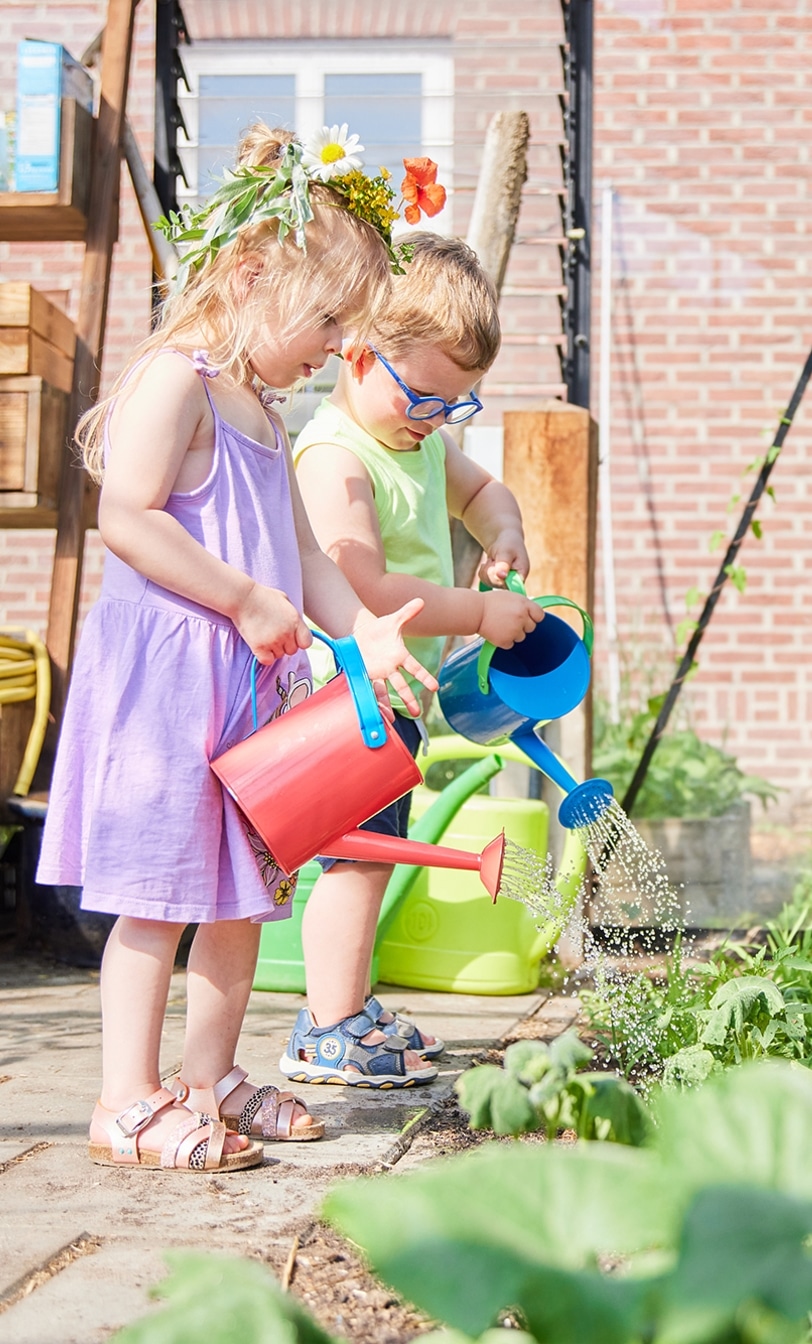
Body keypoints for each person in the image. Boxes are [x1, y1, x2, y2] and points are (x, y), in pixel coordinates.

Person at [36, 124, 440, 1172]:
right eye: (326, 320)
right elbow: (127, 516)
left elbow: (306, 554)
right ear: (254, 275)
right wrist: (241, 598)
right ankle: (123, 1099)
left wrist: (361, 633)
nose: (333, 349)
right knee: (158, 897)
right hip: (171, 683)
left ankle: (208, 1075)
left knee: (244, 890)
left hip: (245, 691)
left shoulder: (261, 409)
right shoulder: (179, 379)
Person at [280, 231, 543, 1089]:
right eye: (425, 396)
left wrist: (502, 531)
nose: (437, 417)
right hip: (346, 694)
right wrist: (479, 612)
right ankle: (327, 1026)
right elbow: (364, 581)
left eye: (456, 405)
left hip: (391, 696)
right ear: (357, 352)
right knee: (357, 858)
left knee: (375, 852)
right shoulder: (333, 456)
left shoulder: (417, 439)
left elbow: (481, 491)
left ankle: (344, 1006)